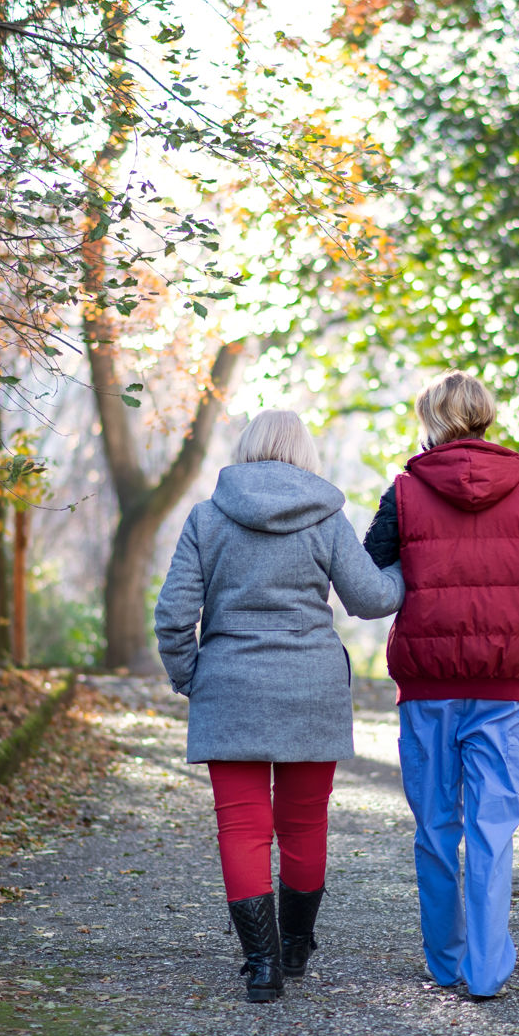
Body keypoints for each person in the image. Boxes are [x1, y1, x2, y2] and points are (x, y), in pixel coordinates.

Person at [155, 409, 404, 1003]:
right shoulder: (325, 517)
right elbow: (370, 599)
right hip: (311, 691)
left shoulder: (208, 517)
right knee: (304, 824)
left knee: (241, 831)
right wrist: (409, 570)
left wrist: (195, 679)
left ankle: (261, 965)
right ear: (305, 453)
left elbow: (172, 616)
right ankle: (295, 946)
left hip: (230, 690)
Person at [363, 370, 519, 1000]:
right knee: (491, 826)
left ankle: (446, 962)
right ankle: (484, 971)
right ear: (484, 415)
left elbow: (370, 568)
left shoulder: (405, 489)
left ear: (431, 418)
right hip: (506, 684)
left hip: (428, 684)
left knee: (434, 828)